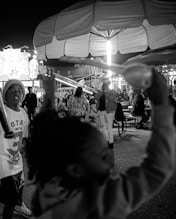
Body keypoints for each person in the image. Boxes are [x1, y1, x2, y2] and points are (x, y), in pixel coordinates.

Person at [24, 69, 175, 219]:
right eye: (103, 156)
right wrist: (161, 101)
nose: (111, 158)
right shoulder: (107, 199)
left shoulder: (48, 187)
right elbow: (157, 167)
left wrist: (50, 96)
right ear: (75, 169)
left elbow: (45, 133)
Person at [0, 79, 33, 219]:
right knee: (11, 193)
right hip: (1, 155)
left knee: (20, 183)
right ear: (5, 96)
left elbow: (24, 136)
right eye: (12, 90)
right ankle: (12, 209)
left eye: (19, 90)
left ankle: (19, 205)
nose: (16, 92)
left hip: (16, 156)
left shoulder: (23, 112)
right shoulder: (1, 111)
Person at [94, 79, 117, 150]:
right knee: (104, 127)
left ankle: (111, 143)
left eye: (105, 84)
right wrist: (100, 91)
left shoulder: (112, 91)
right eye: (103, 84)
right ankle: (107, 142)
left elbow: (112, 99)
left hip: (109, 111)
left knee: (109, 127)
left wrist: (106, 92)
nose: (104, 86)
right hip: (101, 111)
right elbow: (96, 97)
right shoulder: (100, 92)